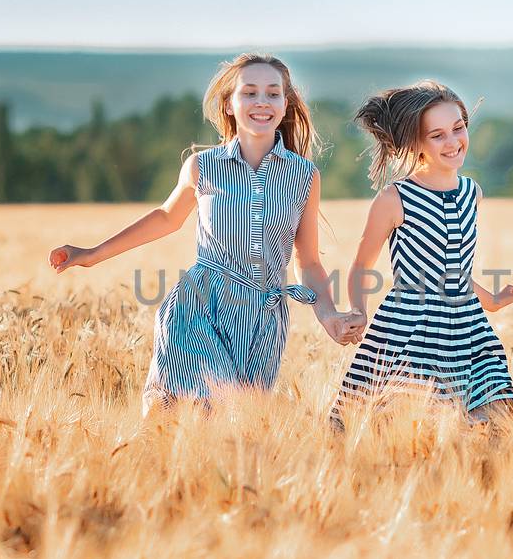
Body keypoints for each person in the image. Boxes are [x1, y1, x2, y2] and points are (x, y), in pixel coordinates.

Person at [51, 54, 364, 414]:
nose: (261, 102)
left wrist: (330, 318)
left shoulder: (305, 176)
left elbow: (307, 261)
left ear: (285, 104)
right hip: (200, 307)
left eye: (273, 94)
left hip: (263, 323)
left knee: (237, 431)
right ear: (230, 105)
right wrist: (91, 255)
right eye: (249, 93)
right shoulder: (203, 166)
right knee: (186, 416)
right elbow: (166, 217)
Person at [329, 81, 513, 430]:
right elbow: (361, 265)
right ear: (415, 142)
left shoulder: (471, 193)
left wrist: (492, 300)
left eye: (458, 128)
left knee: (497, 422)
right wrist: (359, 309)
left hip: (468, 328)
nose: (452, 142)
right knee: (407, 430)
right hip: (410, 328)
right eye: (437, 135)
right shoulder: (395, 198)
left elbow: (452, 271)